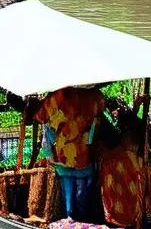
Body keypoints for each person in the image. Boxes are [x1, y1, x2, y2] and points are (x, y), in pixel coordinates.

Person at [34, 86, 105, 220]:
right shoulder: (93, 96)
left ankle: (72, 221)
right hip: (79, 159)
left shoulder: (55, 98)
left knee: (70, 202)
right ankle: (79, 221)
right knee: (80, 200)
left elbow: (42, 121)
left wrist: (49, 154)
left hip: (66, 159)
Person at [99, 124, 151, 229]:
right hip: (136, 211)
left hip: (117, 212)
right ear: (135, 146)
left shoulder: (110, 158)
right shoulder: (143, 164)